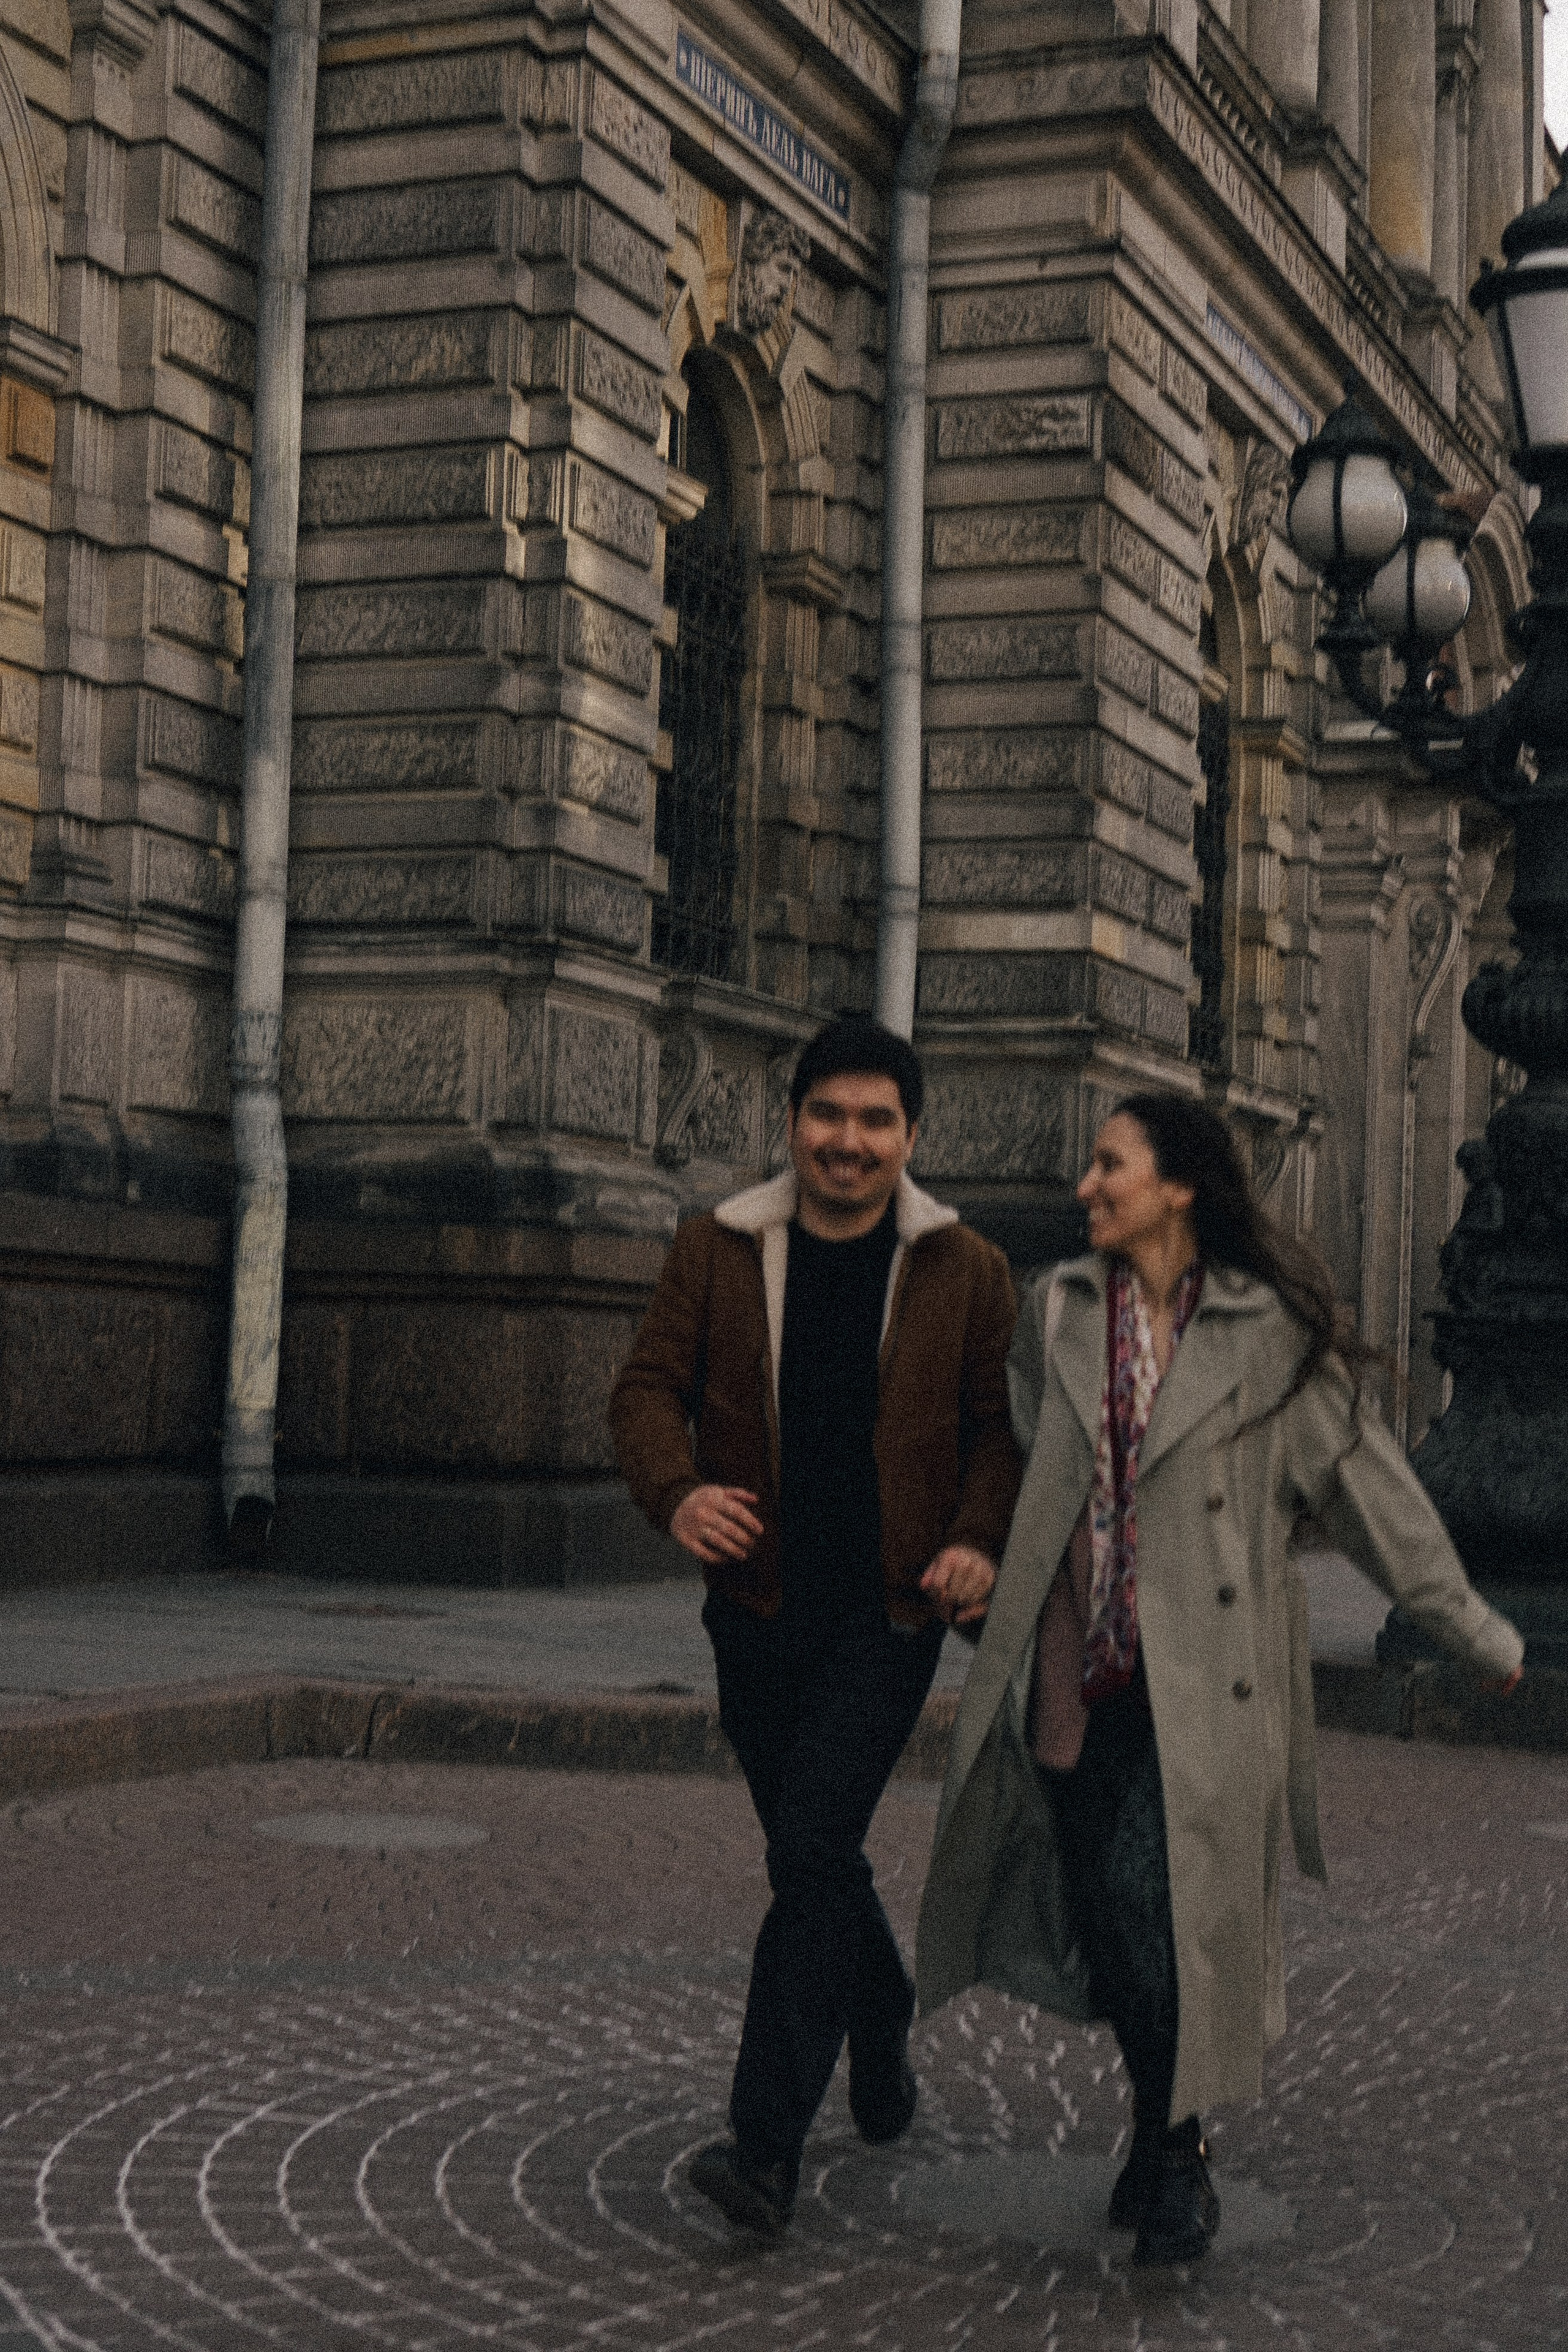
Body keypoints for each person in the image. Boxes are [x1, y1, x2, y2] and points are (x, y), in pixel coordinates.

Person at [914, 1093, 1525, 2266]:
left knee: (1164, 1907)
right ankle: (1157, 2125)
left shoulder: (1270, 1333)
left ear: (1179, 1186)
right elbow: (1028, 1470)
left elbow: (1370, 1492)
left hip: (1209, 1681)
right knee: (1107, 1908)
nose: (1086, 1184)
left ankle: (1179, 2145)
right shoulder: (1055, 1310)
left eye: (1110, 1165)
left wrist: (1476, 1633)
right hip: (1074, 1669)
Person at [609, 1015, 1020, 2234]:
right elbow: (644, 1389)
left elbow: (1000, 1431)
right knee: (816, 1859)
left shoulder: (966, 1267)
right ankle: (879, 2011)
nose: (848, 1144)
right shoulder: (717, 1247)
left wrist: (975, 1540)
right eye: (827, 1117)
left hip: (888, 1617)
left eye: (874, 1122)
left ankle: (764, 2150)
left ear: (907, 1136)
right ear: (791, 1123)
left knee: (806, 1853)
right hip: (756, 1611)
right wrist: (674, 1493)